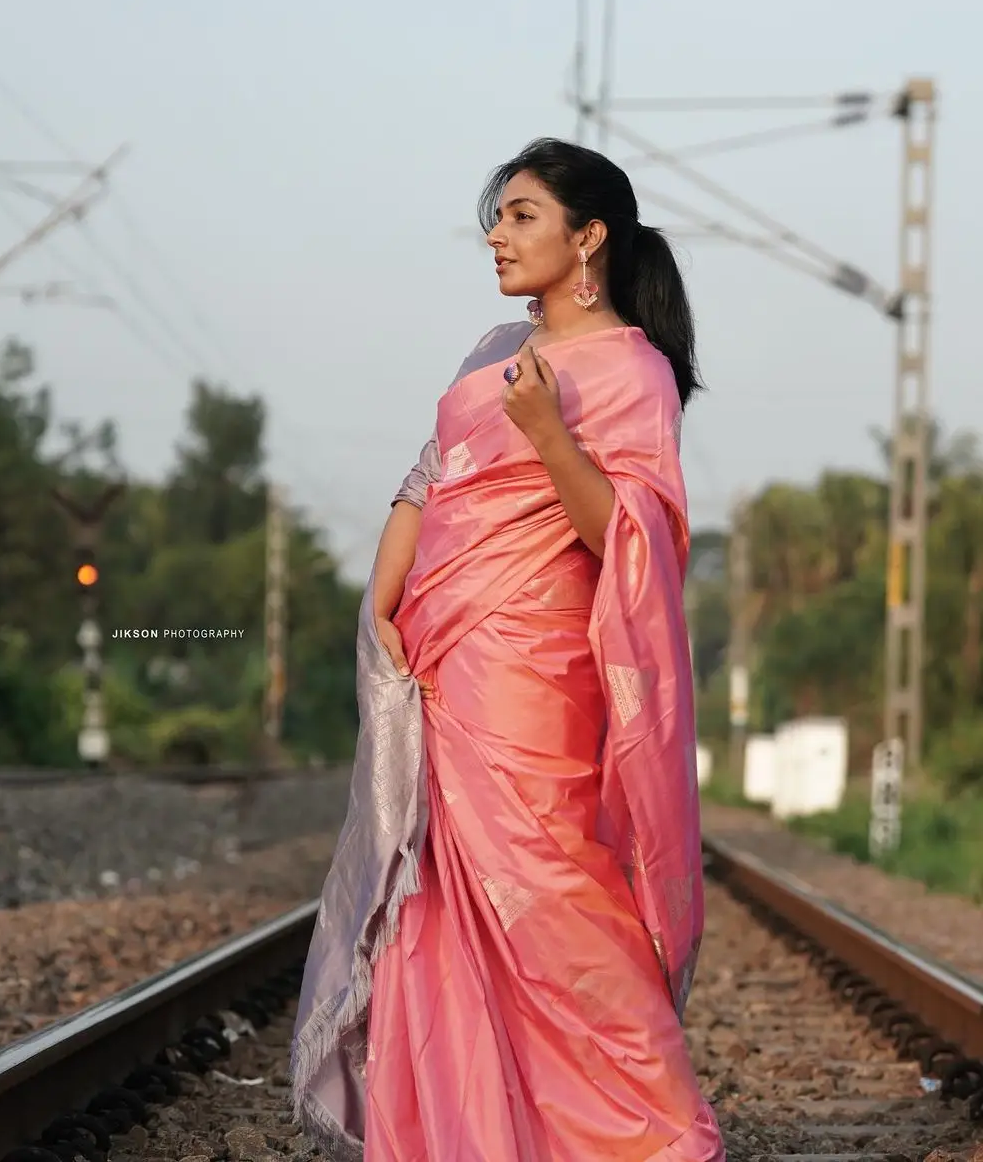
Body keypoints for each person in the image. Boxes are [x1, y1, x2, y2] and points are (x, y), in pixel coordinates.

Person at [290, 138, 725, 1161]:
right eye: (498, 215)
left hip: (537, 675)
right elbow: (423, 482)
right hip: (438, 667)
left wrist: (549, 433)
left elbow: (626, 535)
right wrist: (382, 608)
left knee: (557, 896)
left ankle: (657, 1136)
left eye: (522, 214)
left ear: (589, 238)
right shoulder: (492, 351)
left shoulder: (632, 372)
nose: (496, 233)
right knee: (433, 905)